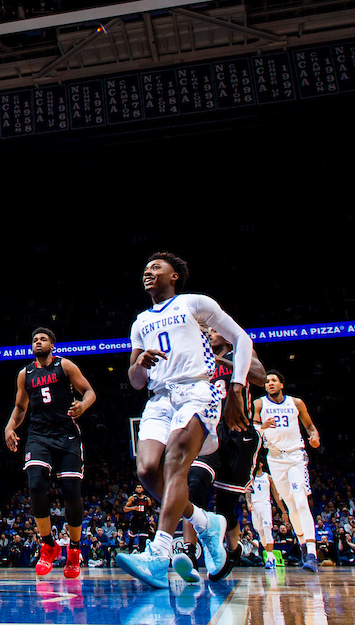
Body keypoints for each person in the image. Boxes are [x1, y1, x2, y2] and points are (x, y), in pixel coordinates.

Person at [117, 252, 254, 589]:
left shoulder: (195, 303)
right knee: (148, 470)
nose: (148, 272)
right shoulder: (139, 322)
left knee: (175, 462)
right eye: (146, 268)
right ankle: (205, 521)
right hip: (159, 398)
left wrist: (236, 387)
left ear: (174, 275)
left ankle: (159, 555)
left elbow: (242, 339)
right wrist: (140, 364)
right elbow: (135, 380)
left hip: (197, 391)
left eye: (156, 268)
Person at [4, 328, 96, 579]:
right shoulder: (25, 374)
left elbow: (89, 392)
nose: (38, 342)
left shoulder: (65, 366)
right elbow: (20, 408)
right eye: (34, 339)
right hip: (38, 435)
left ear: (53, 345)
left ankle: (75, 550)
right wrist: (10, 427)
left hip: (66, 433)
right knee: (35, 486)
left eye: (43, 339)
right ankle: (48, 545)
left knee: (70, 493)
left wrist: (83, 405)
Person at [181, 327, 266, 580]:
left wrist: (224, 360)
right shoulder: (199, 356)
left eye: (214, 330)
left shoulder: (242, 351)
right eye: (206, 331)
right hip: (208, 429)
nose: (209, 333)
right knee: (193, 486)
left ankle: (232, 550)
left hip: (238, 433)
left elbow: (261, 377)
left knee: (226, 506)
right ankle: (189, 551)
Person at [254, 369, 321, 571]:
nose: (270, 384)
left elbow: (310, 427)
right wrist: (262, 426)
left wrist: (315, 436)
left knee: (301, 500)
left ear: (282, 384)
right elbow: (253, 430)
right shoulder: (259, 404)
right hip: (274, 458)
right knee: (291, 505)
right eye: (267, 382)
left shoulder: (296, 403)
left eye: (273, 380)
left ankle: (312, 553)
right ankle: (302, 546)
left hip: (295, 456)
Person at [247, 455, 286, 568]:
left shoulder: (268, 477)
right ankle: (270, 556)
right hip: (255, 506)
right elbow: (247, 492)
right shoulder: (251, 478)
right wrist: (249, 503)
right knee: (260, 532)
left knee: (267, 529)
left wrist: (283, 510)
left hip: (265, 504)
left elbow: (276, 495)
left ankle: (269, 557)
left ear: (261, 464)